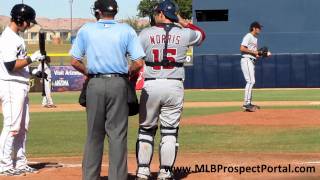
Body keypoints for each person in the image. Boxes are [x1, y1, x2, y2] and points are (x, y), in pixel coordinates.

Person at [69, 0, 145, 179]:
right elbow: (138, 62)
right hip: (118, 83)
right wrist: (126, 72)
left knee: (94, 135)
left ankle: (90, 177)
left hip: (95, 83)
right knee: (117, 135)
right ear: (115, 12)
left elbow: (74, 60)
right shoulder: (126, 30)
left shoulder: (86, 29)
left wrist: (88, 72)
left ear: (98, 12)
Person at [135, 0, 206, 179]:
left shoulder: (145, 33)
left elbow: (135, 58)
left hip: (151, 83)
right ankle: (165, 172)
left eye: (156, 12)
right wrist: (182, 21)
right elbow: (202, 35)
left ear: (161, 14)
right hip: (174, 84)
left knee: (146, 129)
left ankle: (143, 171)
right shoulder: (185, 34)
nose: (154, 15)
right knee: (169, 131)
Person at [0, 3, 45, 176]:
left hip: (20, 85)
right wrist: (32, 58)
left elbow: (20, 65)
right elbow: (11, 66)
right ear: (20, 19)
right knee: (12, 126)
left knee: (22, 126)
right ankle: (4, 165)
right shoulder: (8, 38)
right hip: (10, 85)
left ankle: (19, 162)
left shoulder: (17, 37)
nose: (28, 25)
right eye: (27, 22)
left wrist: (34, 71)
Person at [240, 21, 270, 112]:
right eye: (258, 28)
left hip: (251, 60)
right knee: (251, 81)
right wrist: (256, 52)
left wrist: (262, 54)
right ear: (254, 28)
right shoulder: (248, 36)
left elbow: (255, 54)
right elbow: (242, 48)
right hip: (246, 60)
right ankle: (246, 104)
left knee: (251, 81)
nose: (260, 29)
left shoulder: (255, 39)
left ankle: (249, 103)